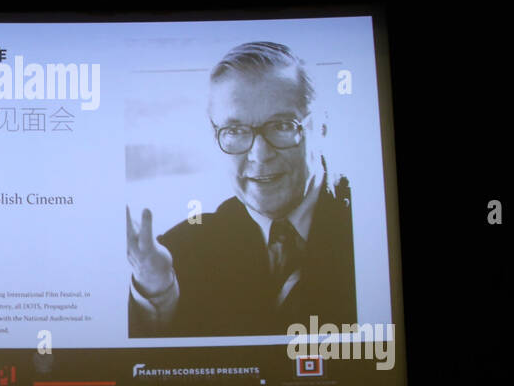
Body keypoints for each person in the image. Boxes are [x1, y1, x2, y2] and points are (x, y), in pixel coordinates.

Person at [128, 41, 356, 337]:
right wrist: (157, 295)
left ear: (320, 127)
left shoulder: (374, 227)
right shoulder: (179, 255)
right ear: (215, 137)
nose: (260, 154)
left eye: (282, 125)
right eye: (235, 131)